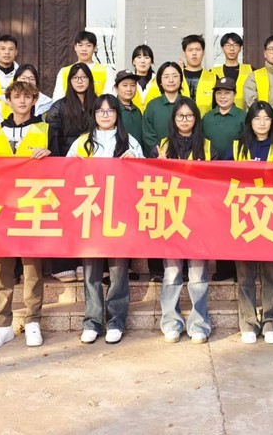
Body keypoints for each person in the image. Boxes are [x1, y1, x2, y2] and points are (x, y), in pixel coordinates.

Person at [67, 95, 143, 344]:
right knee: (91, 269)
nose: (105, 115)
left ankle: (116, 321)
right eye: (100, 111)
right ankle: (92, 321)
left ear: (117, 115)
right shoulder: (83, 142)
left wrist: (135, 162)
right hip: (91, 213)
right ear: (94, 115)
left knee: (118, 270)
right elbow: (65, 172)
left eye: (110, 111)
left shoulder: (128, 140)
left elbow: (144, 174)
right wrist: (74, 164)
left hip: (119, 213)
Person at [0, 80, 50, 349]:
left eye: (27, 97)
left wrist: (50, 154)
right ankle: (3, 325)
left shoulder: (45, 129)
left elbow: (60, 166)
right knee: (2, 270)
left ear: (34, 100)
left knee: (32, 268)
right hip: (2, 208)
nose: (22, 101)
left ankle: (33, 321)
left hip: (32, 206)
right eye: (17, 96)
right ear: (8, 101)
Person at [158, 97, 216, 343]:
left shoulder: (208, 146)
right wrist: (159, 165)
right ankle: (171, 322)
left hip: (199, 219)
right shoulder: (163, 145)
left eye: (189, 116)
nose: (184, 120)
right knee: (172, 273)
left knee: (198, 274)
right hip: (171, 216)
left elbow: (217, 182)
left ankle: (199, 324)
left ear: (196, 119)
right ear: (173, 119)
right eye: (180, 116)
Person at [232, 102, 273, 344]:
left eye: (266, 118)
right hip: (244, 216)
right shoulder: (237, 147)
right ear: (249, 122)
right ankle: (248, 323)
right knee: (245, 274)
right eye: (257, 118)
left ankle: (271, 322)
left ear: (272, 122)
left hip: (271, 217)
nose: (262, 123)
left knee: (271, 273)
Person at [44, 62, 96, 281]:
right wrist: (59, 166)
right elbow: (52, 136)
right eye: (76, 78)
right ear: (70, 81)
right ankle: (62, 265)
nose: (80, 81)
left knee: (88, 215)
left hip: (93, 170)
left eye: (84, 77)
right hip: (66, 168)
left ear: (90, 81)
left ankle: (86, 261)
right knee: (65, 216)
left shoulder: (98, 104)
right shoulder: (59, 106)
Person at [141, 61, 187, 282]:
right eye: (166, 76)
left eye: (175, 75)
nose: (171, 79)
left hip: (183, 169)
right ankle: (157, 269)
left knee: (181, 215)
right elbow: (147, 133)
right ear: (159, 80)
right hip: (158, 166)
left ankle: (183, 267)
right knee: (158, 214)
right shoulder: (152, 105)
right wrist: (158, 153)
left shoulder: (186, 104)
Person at [202, 75, 246, 282]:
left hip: (236, 176)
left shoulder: (242, 116)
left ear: (234, 95)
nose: (223, 96)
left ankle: (239, 269)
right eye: (219, 93)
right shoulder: (207, 117)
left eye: (227, 92)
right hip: (212, 177)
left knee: (237, 221)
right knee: (219, 223)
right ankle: (223, 268)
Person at [0, 64, 53, 136]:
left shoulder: (47, 104)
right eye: (23, 78)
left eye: (32, 79)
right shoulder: (2, 105)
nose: (27, 82)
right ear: (15, 81)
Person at [194, 31, 253, 114]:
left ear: (240, 49)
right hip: (220, 116)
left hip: (245, 117)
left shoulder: (251, 70)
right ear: (222, 49)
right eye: (228, 45)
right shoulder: (212, 73)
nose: (231, 48)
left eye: (235, 45)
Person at [52, 30, 114, 100]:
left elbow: (110, 99)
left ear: (95, 48)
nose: (84, 49)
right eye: (80, 45)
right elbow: (58, 99)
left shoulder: (105, 71)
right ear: (75, 47)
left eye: (88, 45)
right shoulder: (65, 72)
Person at [113, 69, 144, 143]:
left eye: (133, 85)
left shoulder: (137, 110)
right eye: (125, 85)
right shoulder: (112, 109)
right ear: (116, 88)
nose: (129, 89)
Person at [179, 34, 207, 102]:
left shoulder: (213, 78)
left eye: (198, 49)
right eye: (190, 50)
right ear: (184, 53)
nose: (194, 53)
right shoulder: (176, 77)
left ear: (203, 52)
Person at [130, 44, 156, 112]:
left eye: (146, 57)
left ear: (151, 62)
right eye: (139, 57)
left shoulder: (159, 82)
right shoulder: (127, 81)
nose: (142, 61)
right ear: (133, 61)